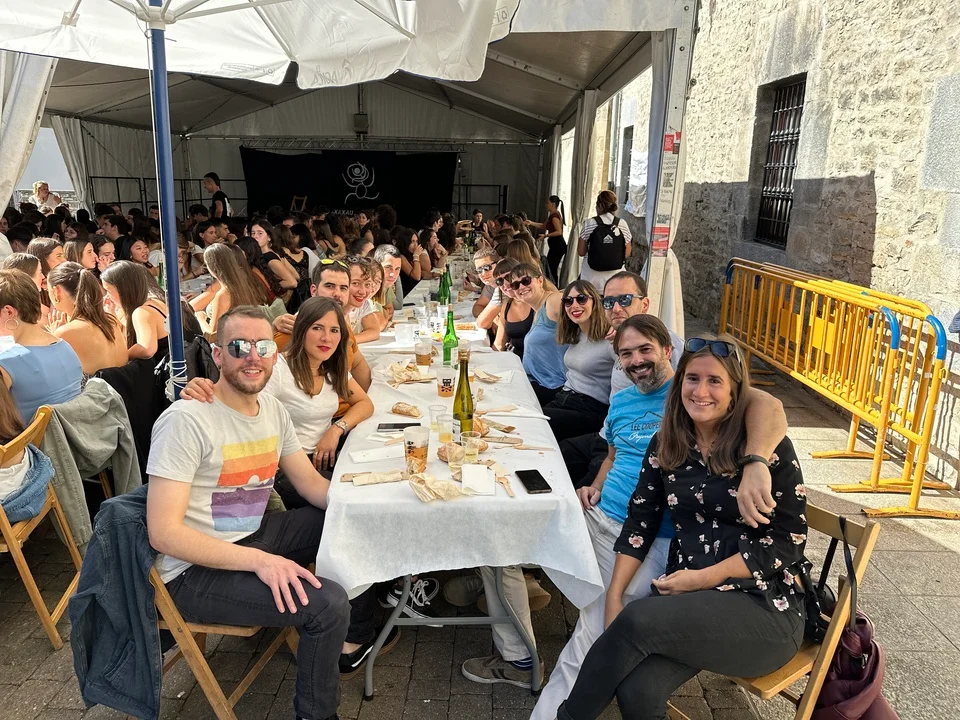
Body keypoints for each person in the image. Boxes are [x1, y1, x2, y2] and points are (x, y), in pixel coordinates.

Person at [531, 318, 789, 719]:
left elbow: (785, 544)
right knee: (635, 688)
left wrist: (755, 461)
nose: (700, 391)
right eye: (693, 380)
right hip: (665, 571)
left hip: (755, 596)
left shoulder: (755, 442)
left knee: (617, 626)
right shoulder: (668, 440)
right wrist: (614, 592)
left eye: (715, 382)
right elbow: (640, 514)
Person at [145, 305, 350, 720]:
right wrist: (260, 561)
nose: (253, 357)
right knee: (328, 606)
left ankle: (354, 636)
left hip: (251, 536)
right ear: (218, 355)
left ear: (275, 354)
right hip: (192, 572)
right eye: (239, 347)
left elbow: (310, 485)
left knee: (343, 524)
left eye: (263, 347)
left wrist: (368, 508)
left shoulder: (271, 409)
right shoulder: (186, 421)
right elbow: (163, 533)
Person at [560, 271, 686, 490]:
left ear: (645, 304)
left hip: (628, 446)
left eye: (625, 299)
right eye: (609, 302)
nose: (616, 308)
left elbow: (733, 392)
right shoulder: (617, 340)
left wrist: (751, 463)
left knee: (574, 493)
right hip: (607, 434)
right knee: (554, 456)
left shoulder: (666, 342)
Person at [272, 259, 372, 394]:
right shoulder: (291, 329)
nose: (337, 293)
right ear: (314, 290)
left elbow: (358, 364)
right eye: (330, 286)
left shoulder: (340, 326)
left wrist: (366, 399)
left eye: (343, 288)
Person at [0, 269, 82, 422]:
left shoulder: (6, 364)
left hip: (36, 437)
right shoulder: (66, 347)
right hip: (77, 434)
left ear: (9, 312)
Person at [542, 280, 614, 441]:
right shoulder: (577, 334)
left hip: (590, 409)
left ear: (595, 301)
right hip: (564, 398)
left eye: (581, 299)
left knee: (536, 423)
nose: (574, 305)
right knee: (526, 414)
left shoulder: (611, 338)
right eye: (568, 301)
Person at [46, 262, 128, 375]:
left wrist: (54, 339)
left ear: (57, 291)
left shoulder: (64, 332)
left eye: (48, 291)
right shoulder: (110, 320)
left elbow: (53, 373)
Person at [508, 263, 567, 406]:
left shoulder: (553, 301)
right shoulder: (538, 310)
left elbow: (587, 311)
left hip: (551, 387)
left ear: (540, 280)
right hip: (534, 383)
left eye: (526, 281)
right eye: (515, 285)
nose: (521, 287)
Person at [193, 244, 271, 337]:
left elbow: (213, 335)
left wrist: (200, 318)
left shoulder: (223, 294)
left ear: (211, 266)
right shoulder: (243, 284)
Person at [101, 260, 170, 362]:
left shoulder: (141, 312)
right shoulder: (154, 301)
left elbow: (146, 349)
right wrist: (113, 316)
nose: (107, 296)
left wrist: (120, 358)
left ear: (123, 290)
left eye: (108, 291)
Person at [578, 190, 632, 290]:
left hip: (591, 278)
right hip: (615, 278)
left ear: (600, 206)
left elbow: (581, 252)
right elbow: (627, 253)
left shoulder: (589, 223)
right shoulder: (622, 224)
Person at [491, 259, 533, 358]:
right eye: (499, 281)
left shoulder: (534, 301)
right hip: (514, 361)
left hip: (535, 363)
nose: (505, 284)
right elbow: (499, 344)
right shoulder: (507, 305)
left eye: (508, 277)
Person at [251, 218, 299, 299]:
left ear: (269, 237)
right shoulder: (274, 252)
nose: (255, 236)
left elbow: (292, 282)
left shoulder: (269, 257)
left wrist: (269, 286)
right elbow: (296, 275)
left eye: (260, 233)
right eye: (253, 233)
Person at [345, 256, 380, 344]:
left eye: (367, 284)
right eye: (355, 283)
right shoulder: (331, 310)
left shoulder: (363, 303)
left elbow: (374, 331)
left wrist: (351, 341)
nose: (363, 291)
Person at [471, 249, 503, 332]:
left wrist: (489, 316)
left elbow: (482, 323)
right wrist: (492, 316)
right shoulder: (490, 285)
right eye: (479, 270)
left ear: (498, 264)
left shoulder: (506, 286)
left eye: (487, 268)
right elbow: (477, 307)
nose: (483, 273)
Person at [373, 244, 403, 323]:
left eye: (397, 269)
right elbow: (377, 323)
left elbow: (390, 311)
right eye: (388, 267)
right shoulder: (370, 289)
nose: (393, 274)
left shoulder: (386, 285)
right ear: (376, 266)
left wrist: (384, 318)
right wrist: (383, 318)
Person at [394, 226, 423, 297]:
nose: (415, 245)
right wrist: (416, 256)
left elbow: (422, 271)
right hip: (406, 294)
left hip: (414, 291)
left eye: (416, 241)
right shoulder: (401, 257)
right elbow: (416, 276)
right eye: (412, 242)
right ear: (405, 242)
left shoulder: (410, 255)